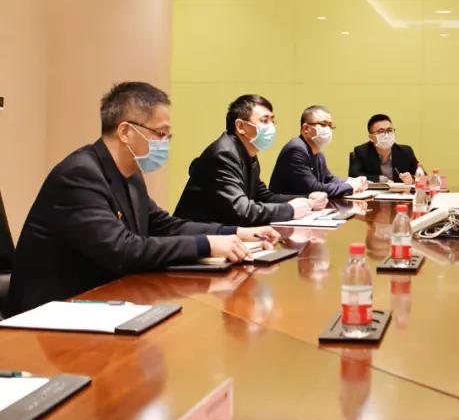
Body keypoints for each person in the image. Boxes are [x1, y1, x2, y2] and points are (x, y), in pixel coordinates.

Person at [8, 82, 279, 314]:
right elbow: (123, 250)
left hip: (105, 300)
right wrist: (205, 245)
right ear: (126, 132)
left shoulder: (130, 174)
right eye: (160, 134)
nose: (165, 142)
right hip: (53, 313)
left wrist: (237, 232)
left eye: (168, 135)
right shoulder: (80, 174)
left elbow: (164, 225)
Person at [175, 94, 327, 226]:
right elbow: (242, 211)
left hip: (224, 233)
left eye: (272, 121)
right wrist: (290, 209)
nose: (271, 127)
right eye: (265, 120)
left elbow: (263, 196)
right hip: (196, 239)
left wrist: (306, 198)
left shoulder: (247, 152)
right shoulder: (224, 154)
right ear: (241, 126)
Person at [269, 105, 366, 198]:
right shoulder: (296, 150)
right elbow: (313, 188)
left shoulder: (318, 153)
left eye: (330, 126)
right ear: (306, 128)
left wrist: (353, 182)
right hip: (287, 207)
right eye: (323, 124)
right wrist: (350, 187)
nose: (328, 129)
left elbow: (328, 179)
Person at [348, 114, 420, 184]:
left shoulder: (406, 152)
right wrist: (380, 179)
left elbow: (422, 176)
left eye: (389, 130)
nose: (386, 135)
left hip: (400, 192)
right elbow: (354, 176)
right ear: (371, 137)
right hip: (374, 192)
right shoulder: (361, 152)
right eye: (381, 131)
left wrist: (412, 179)